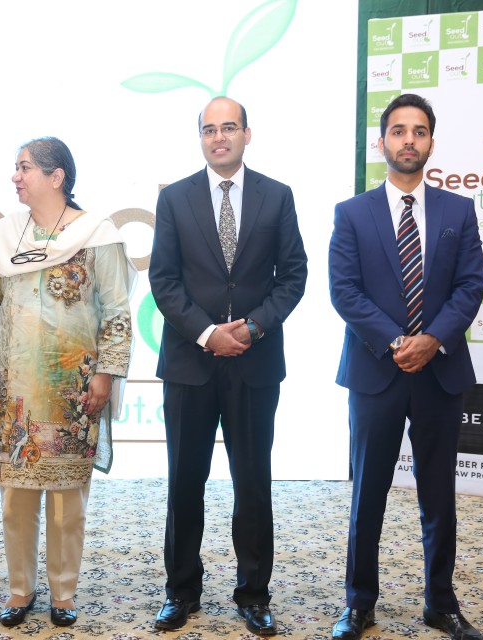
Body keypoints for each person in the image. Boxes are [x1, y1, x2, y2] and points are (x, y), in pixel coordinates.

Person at [328, 93, 483, 640]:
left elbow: (471, 285)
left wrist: (433, 339)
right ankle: (358, 603)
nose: (408, 140)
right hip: (376, 371)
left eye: (419, 131)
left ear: (431, 143)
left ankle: (441, 603)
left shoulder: (457, 211)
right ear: (382, 142)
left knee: (438, 494)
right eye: (398, 131)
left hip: (440, 371)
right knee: (367, 494)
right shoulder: (352, 213)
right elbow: (345, 292)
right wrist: (399, 341)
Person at [0, 137, 134, 628]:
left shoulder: (97, 234)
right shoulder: (3, 236)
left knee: (66, 503)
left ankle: (63, 592)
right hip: (14, 390)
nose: (16, 176)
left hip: (73, 393)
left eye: (26, 167)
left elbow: (116, 312)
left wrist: (105, 374)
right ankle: (20, 589)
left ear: (57, 177)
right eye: (16, 167)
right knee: (15, 499)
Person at [148, 97, 308, 637]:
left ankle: (254, 594)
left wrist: (253, 328)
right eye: (209, 129)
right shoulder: (174, 197)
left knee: (253, 483)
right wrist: (208, 333)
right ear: (200, 137)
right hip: (189, 364)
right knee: (184, 483)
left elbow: (293, 275)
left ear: (247, 134)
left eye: (229, 127)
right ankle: (180, 591)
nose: (219, 137)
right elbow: (164, 280)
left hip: (254, 364)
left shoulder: (277, 195)